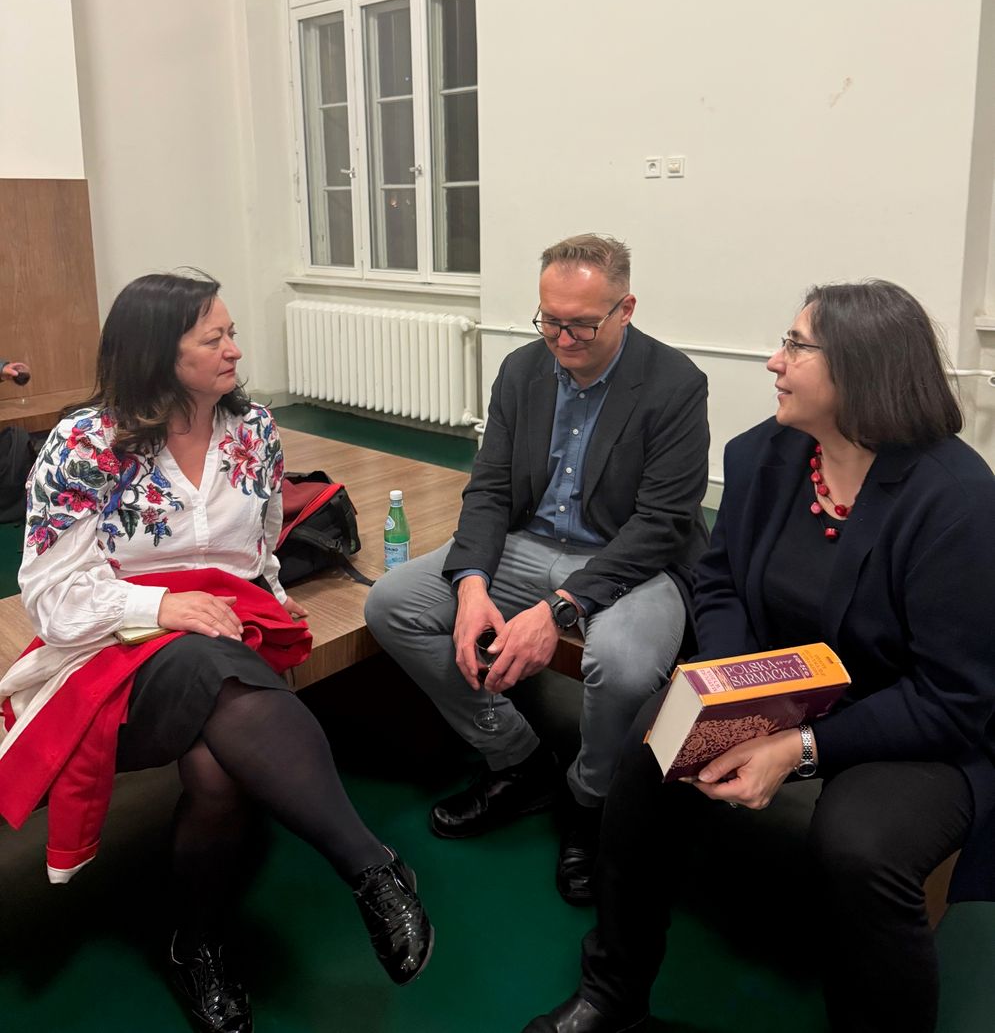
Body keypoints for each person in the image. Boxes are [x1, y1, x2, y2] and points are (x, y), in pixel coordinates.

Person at [522, 279, 995, 1033]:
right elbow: (720, 584)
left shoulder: (955, 500)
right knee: (649, 751)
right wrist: (737, 691)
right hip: (779, 686)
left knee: (860, 847)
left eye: (796, 346)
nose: (774, 362)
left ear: (862, 369)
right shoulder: (764, 455)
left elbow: (952, 698)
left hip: (908, 721)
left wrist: (797, 747)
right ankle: (612, 990)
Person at [0, 273, 432, 1033]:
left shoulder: (252, 429)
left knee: (215, 771)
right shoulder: (83, 446)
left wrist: (270, 589)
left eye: (230, 333)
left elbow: (258, 539)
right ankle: (372, 867)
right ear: (157, 355)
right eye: (214, 338)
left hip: (225, 629)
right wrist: (160, 606)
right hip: (109, 644)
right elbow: (52, 599)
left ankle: (195, 944)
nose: (235, 348)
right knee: (205, 661)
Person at [365, 234, 709, 905]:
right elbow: (490, 488)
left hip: (630, 559)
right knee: (393, 603)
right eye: (549, 320)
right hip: (530, 542)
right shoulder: (522, 370)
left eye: (581, 324)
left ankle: (590, 800)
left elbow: (660, 523)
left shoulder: (674, 384)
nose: (562, 338)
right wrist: (471, 586)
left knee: (625, 667)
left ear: (625, 309)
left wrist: (558, 609)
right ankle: (519, 760)